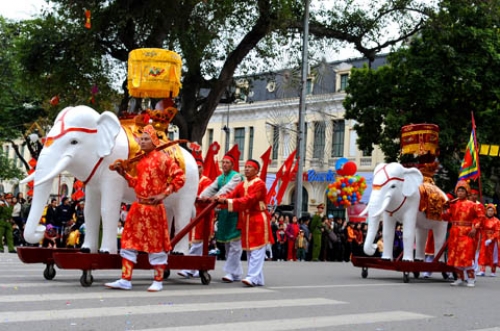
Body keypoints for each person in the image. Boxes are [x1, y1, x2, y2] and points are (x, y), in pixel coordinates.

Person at [105, 124, 185, 292]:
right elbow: (136, 183)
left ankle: (158, 281)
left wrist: (164, 194)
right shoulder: (141, 160)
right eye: (141, 139)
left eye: (146, 139)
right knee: (128, 243)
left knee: (156, 245)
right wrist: (124, 174)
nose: (142, 142)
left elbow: (179, 177)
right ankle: (125, 279)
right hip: (137, 208)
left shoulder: (164, 159)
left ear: (154, 140)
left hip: (154, 209)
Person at [215, 159, 274, 286]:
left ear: (256, 170)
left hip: (258, 219)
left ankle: (252, 277)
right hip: (246, 220)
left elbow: (249, 200)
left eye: (250, 167)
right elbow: (232, 195)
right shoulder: (242, 184)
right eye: (246, 167)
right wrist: (218, 200)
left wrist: (227, 202)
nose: (246, 169)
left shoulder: (260, 184)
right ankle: (257, 278)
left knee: (257, 250)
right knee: (249, 250)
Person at [199, 145, 243, 283]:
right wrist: (200, 198)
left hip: (235, 213)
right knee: (228, 245)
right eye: (223, 162)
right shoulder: (220, 177)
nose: (224, 164)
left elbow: (227, 189)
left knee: (235, 244)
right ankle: (236, 273)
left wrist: (214, 198)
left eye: (227, 162)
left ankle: (231, 272)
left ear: (232, 164)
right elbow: (210, 188)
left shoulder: (236, 176)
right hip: (224, 214)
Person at [442, 180, 485, 287]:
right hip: (455, 232)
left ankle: (471, 278)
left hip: (467, 232)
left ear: (467, 192)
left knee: (466, 256)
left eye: (462, 191)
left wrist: (475, 228)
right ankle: (459, 278)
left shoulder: (473, 205)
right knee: (455, 256)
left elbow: (481, 217)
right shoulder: (453, 205)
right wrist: (444, 209)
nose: (460, 193)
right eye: (458, 191)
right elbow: (446, 218)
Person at [178, 154, 214, 278]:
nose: (197, 169)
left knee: (198, 243)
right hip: (189, 214)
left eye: (199, 167)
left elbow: (206, 198)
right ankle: (192, 267)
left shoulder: (206, 182)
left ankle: (190, 267)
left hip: (201, 215)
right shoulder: (187, 179)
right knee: (191, 242)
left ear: (202, 168)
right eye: (195, 166)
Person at [476, 203, 500, 277]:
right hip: (484, 238)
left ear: (494, 212)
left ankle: (493, 271)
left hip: (493, 241)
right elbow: (479, 226)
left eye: (492, 211)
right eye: (489, 210)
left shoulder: (497, 221)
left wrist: (491, 238)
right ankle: (482, 270)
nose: (490, 212)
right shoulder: (484, 219)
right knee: (483, 254)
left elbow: (498, 231)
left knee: (493, 256)